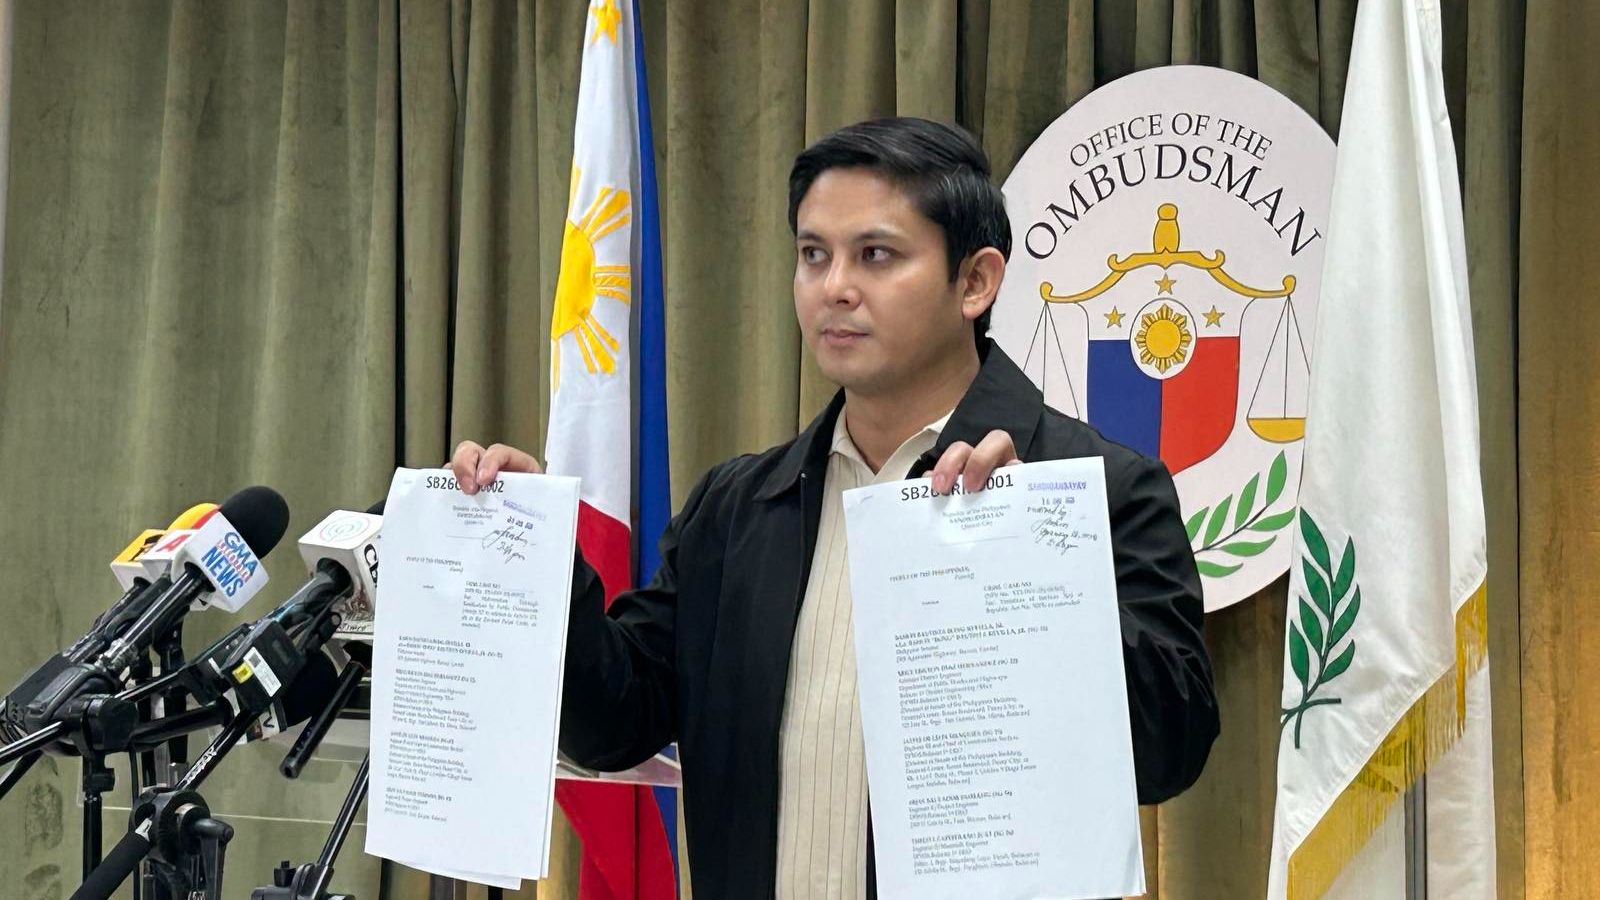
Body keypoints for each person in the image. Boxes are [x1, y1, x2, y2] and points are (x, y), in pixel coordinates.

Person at [451, 117, 1218, 900]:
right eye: (814, 255)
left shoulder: (1102, 488)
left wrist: (1026, 558)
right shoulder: (734, 509)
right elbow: (614, 723)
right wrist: (537, 561)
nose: (834, 287)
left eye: (876, 255)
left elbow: (1170, 752)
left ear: (975, 282)